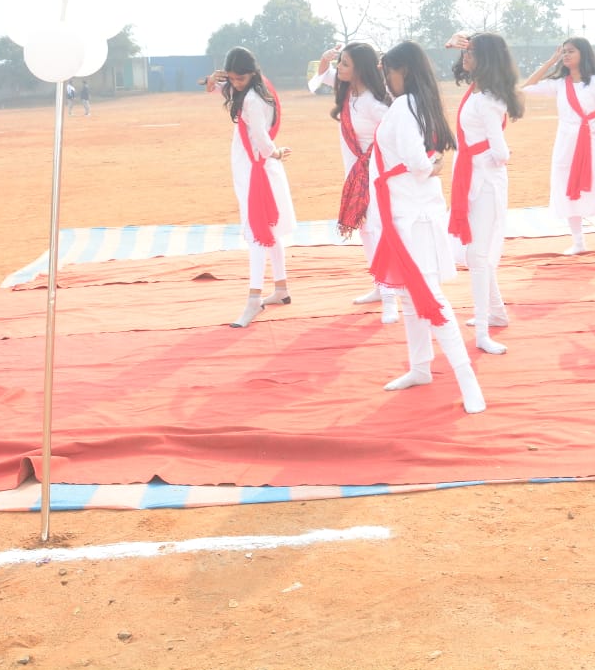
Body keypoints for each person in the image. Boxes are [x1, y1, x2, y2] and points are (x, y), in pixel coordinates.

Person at [368, 41, 486, 414]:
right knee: (409, 295)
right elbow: (424, 160)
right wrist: (429, 164)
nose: (386, 79)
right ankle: (420, 367)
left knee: (429, 296)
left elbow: (419, 162)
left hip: (412, 215)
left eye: (388, 72)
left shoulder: (406, 105)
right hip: (407, 211)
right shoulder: (417, 103)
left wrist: (429, 165)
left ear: (402, 70)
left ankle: (467, 380)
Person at [204, 48, 297, 329]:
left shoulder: (252, 100)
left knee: (257, 234)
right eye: (231, 78)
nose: (235, 83)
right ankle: (280, 288)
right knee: (269, 231)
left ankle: (254, 299)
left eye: (240, 78)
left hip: (257, 171)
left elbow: (261, 140)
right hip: (257, 169)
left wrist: (276, 153)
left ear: (252, 73)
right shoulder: (255, 89)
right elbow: (221, 90)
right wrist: (214, 81)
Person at [445, 31, 523, 356]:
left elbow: (501, 152)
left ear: (486, 59)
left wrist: (483, 157)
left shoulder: (488, 99)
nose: (466, 56)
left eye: (472, 52)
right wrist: (460, 43)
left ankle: (482, 331)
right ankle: (496, 313)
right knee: (477, 254)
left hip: (484, 181)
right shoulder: (478, 90)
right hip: (473, 175)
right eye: (467, 51)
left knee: (477, 255)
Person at [520, 36, 595, 258]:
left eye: (571, 51)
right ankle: (578, 242)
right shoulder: (560, 84)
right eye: (564, 52)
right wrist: (551, 62)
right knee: (567, 190)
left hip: (591, 145)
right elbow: (527, 87)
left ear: (583, 53)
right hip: (565, 145)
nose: (566, 55)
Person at [312, 41, 399, 324]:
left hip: (375, 176)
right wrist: (325, 60)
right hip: (355, 175)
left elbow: (398, 131)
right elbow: (319, 78)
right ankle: (380, 286)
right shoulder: (348, 90)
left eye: (345, 63)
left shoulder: (373, 103)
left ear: (360, 69)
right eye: (340, 62)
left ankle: (390, 297)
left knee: (377, 230)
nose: (339, 68)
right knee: (365, 230)